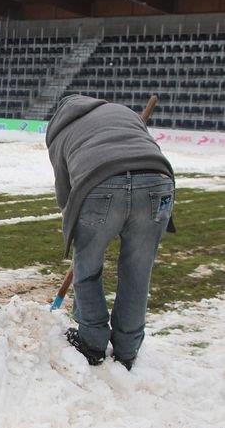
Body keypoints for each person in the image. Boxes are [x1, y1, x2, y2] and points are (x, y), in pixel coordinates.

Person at [46, 94, 175, 371]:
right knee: (138, 270)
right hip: (159, 183)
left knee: (88, 265)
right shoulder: (121, 112)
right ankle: (127, 350)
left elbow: (64, 192)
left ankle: (91, 341)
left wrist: (75, 227)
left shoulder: (60, 132)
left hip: (99, 184)